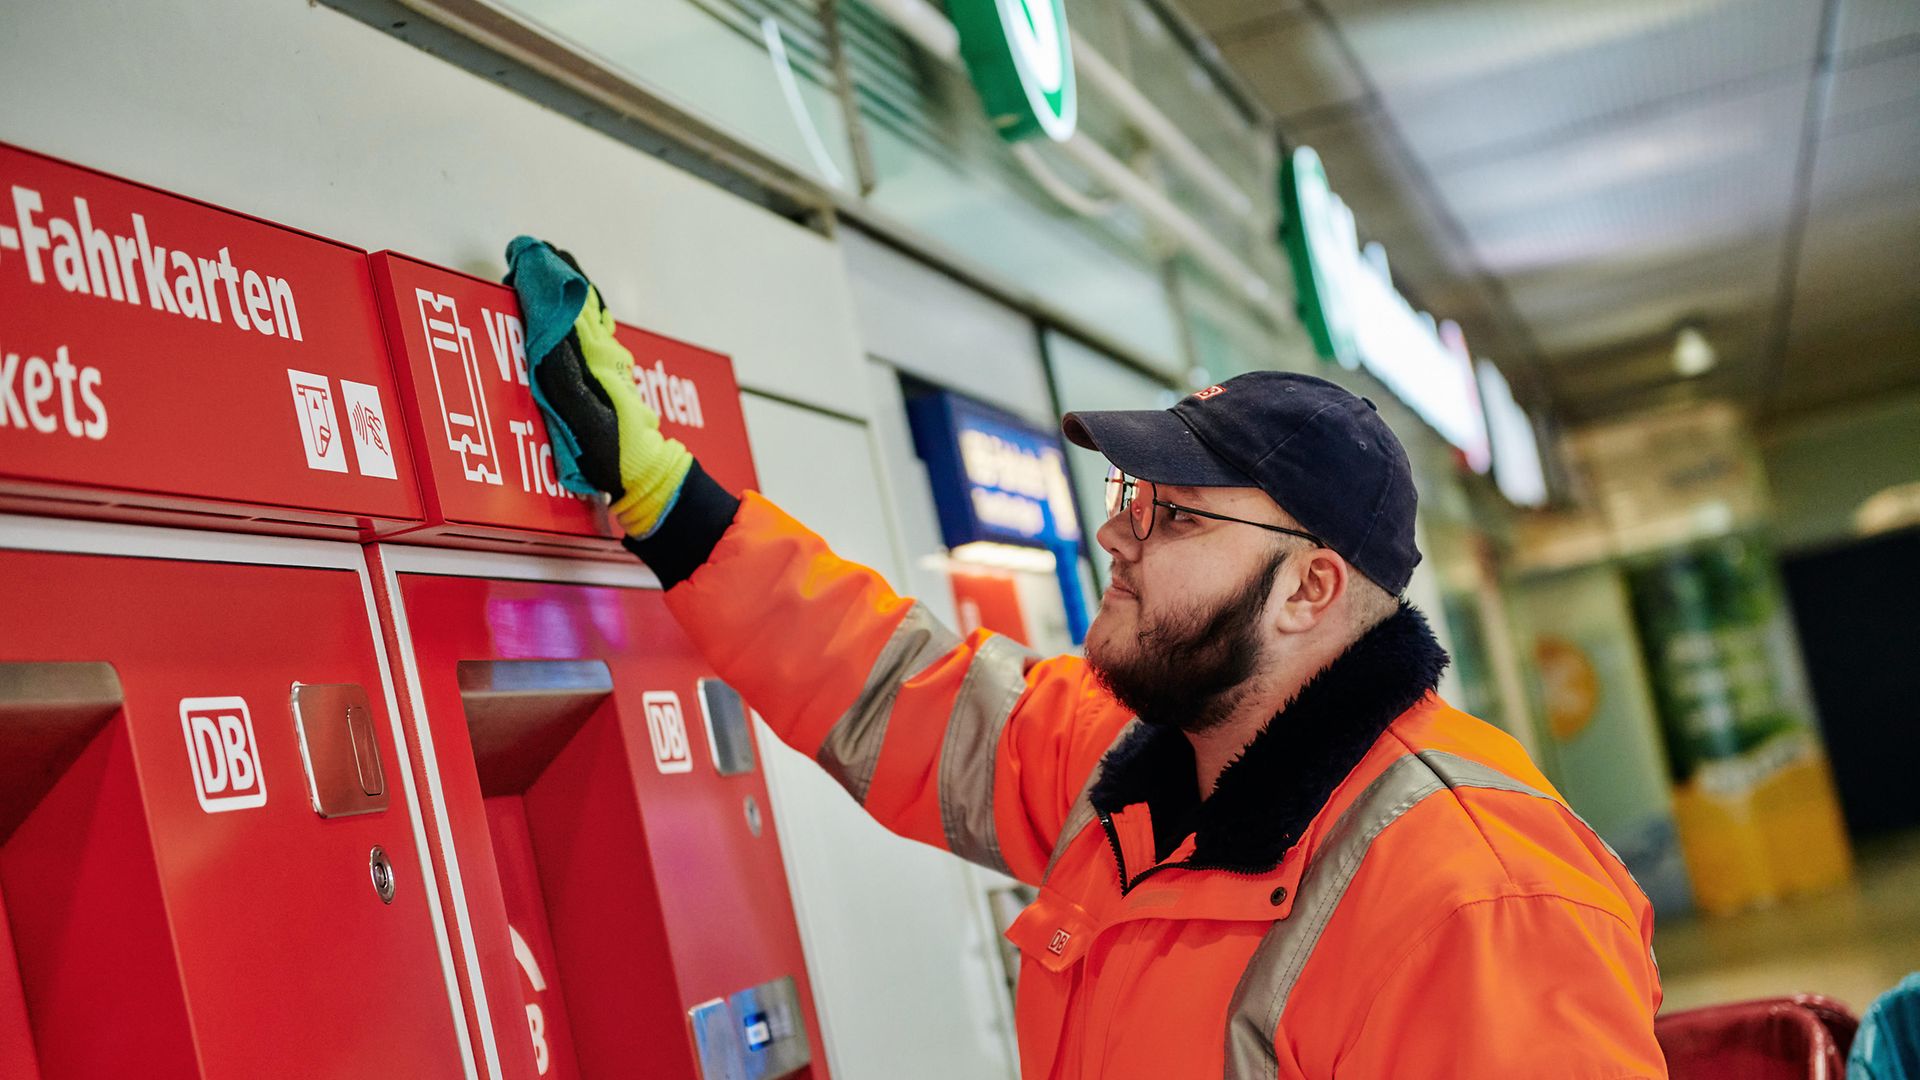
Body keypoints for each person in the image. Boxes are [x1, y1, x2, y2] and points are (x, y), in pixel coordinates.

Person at [507, 239, 1668, 1079]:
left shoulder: (1473, 901)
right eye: (1132, 496)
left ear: (1312, 588)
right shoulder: (1144, 772)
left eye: (1179, 516)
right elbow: (896, 687)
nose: (1118, 531)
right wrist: (664, 496)